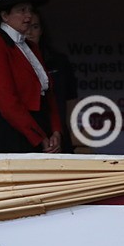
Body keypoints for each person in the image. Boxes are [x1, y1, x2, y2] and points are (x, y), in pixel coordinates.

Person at [0, 0, 62, 153]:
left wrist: (56, 131)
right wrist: (39, 136)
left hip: (40, 129)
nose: (28, 16)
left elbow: (48, 95)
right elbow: (7, 102)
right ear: (4, 16)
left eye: (30, 10)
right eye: (21, 10)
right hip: (15, 134)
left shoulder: (31, 47)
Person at [25, 12, 80, 150]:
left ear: (42, 30)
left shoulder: (58, 61)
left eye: (35, 27)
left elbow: (70, 98)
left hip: (58, 131)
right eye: (26, 27)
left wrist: (66, 130)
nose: (30, 32)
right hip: (25, 133)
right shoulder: (10, 60)